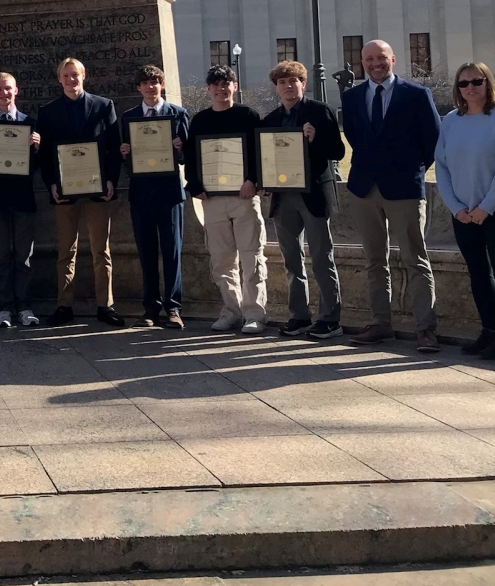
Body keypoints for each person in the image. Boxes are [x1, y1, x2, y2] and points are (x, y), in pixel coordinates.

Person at [342, 39, 442, 353]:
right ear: (362, 62)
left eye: (381, 57)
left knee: (416, 260)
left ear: (393, 59)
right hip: (364, 189)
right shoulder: (352, 97)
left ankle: (425, 329)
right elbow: (356, 139)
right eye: (369, 59)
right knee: (374, 261)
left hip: (404, 190)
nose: (375, 63)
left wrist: (410, 168)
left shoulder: (416, 95)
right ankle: (381, 323)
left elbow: (433, 141)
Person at [261, 61, 346, 340]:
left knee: (322, 257)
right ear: (276, 87)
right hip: (283, 197)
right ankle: (299, 315)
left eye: (293, 81)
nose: (288, 86)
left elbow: (338, 151)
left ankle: (330, 319)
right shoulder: (271, 120)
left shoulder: (320, 111)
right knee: (291, 260)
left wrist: (315, 138)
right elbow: (263, 159)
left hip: (314, 196)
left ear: (303, 83)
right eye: (282, 82)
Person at [38, 57, 124, 328]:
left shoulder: (103, 105)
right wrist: (51, 183)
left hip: (98, 189)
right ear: (59, 79)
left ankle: (105, 305)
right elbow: (45, 154)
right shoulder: (48, 112)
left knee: (102, 250)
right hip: (65, 191)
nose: (71, 80)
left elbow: (113, 147)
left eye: (75, 75)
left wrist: (111, 180)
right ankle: (64, 306)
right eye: (66, 76)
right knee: (66, 250)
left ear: (84, 76)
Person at [183, 65, 268, 333]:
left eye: (227, 83)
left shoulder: (249, 115)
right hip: (213, 199)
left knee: (252, 257)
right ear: (208, 89)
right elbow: (192, 158)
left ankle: (254, 314)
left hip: (244, 197)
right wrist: (195, 186)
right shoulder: (199, 121)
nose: (221, 88)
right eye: (216, 84)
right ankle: (231, 310)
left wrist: (252, 180)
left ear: (235, 86)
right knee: (221, 260)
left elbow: (259, 152)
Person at [435, 62, 495, 359]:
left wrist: (486, 207)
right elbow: (441, 165)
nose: (470, 88)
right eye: (464, 83)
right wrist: (456, 207)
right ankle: (489, 331)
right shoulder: (451, 120)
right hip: (464, 214)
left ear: (487, 83)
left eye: (476, 81)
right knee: (478, 275)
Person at [119, 65, 189, 329]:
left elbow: (187, 156)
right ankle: (150, 309)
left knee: (172, 250)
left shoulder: (178, 114)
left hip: (170, 191)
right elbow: (125, 161)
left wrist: (179, 150)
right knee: (146, 252)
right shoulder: (128, 117)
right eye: (145, 83)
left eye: (155, 82)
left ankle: (173, 308)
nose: (150, 86)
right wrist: (124, 153)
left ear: (162, 85)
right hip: (141, 193)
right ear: (138, 87)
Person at [0, 72, 41, 328]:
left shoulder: (30, 123)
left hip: (23, 199)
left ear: (17, 90)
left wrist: (36, 148)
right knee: (0, 257)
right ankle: (3, 308)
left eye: (8, 89)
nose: (4, 93)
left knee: (24, 257)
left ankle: (24, 307)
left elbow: (37, 167)